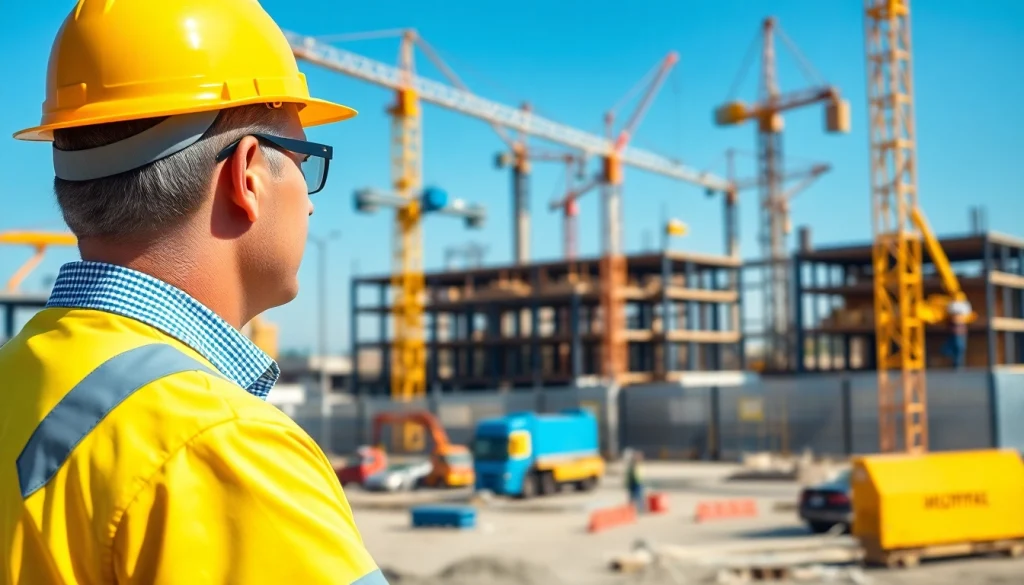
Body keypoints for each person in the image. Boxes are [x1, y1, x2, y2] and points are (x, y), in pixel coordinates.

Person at [0, 1, 388, 584]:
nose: (309, 204)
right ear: (247, 175)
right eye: (305, 162)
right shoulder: (219, 443)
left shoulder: (18, 376)